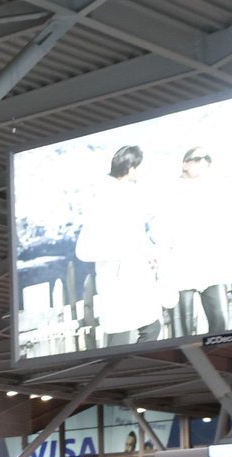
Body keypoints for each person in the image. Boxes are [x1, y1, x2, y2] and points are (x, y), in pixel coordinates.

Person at [157, 147, 232, 337]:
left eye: (207, 159)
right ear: (184, 164)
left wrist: (231, 227)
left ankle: (219, 354)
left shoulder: (219, 187)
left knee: (220, 322)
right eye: (197, 158)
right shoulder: (169, 191)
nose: (203, 162)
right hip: (180, 266)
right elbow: (159, 228)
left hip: (211, 265)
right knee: (181, 328)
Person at [74, 145, 166, 349]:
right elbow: (83, 250)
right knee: (119, 340)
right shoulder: (103, 198)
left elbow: (136, 237)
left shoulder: (128, 196)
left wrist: (148, 254)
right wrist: (122, 254)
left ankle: (137, 364)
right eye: (139, 167)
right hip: (117, 284)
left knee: (151, 328)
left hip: (136, 281)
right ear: (131, 168)